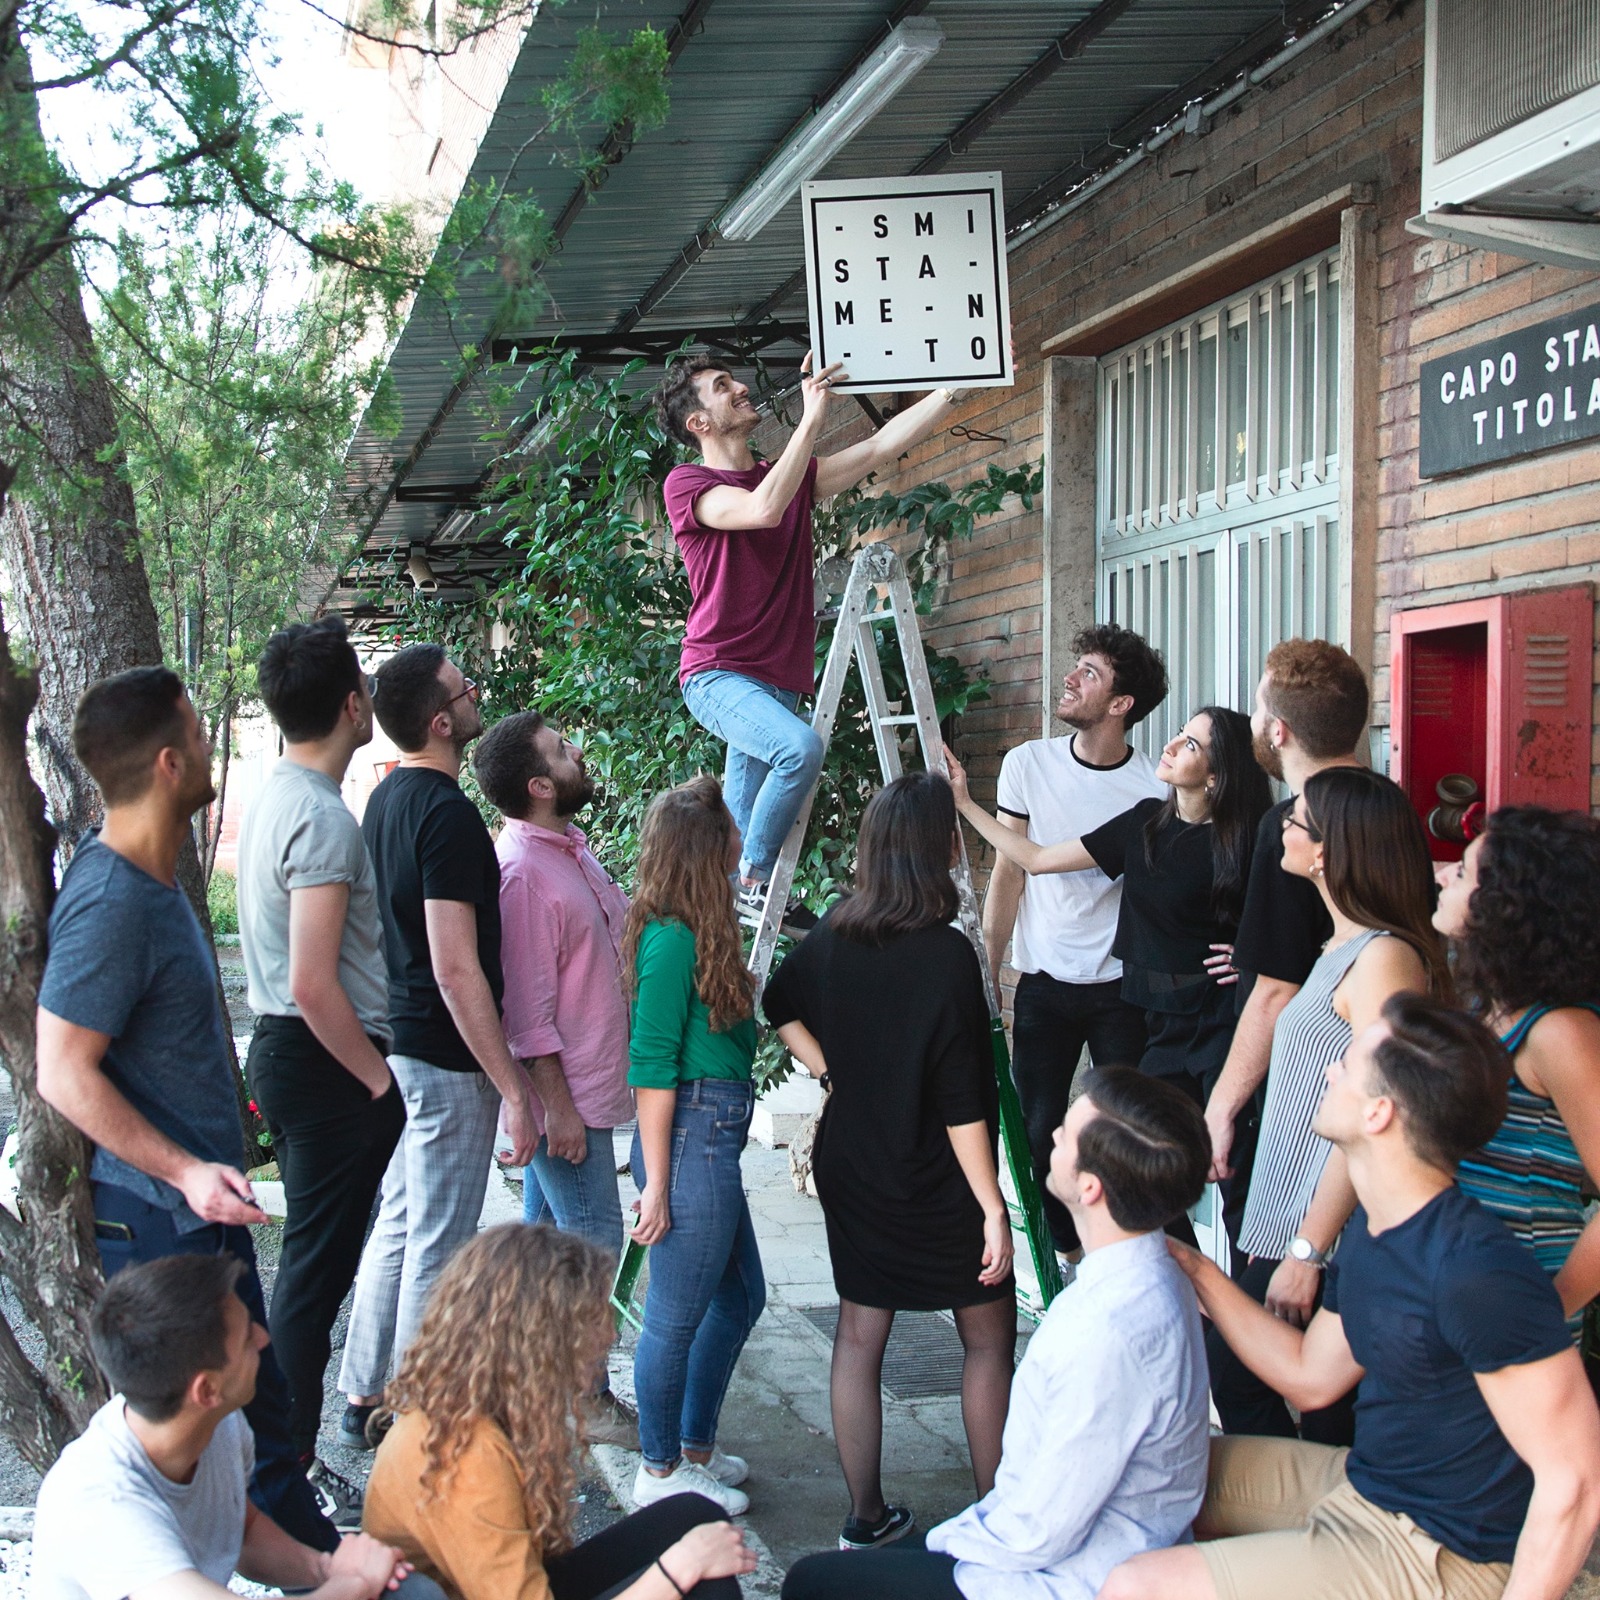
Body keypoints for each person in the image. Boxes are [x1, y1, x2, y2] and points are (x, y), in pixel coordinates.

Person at [1103, 994, 1600, 1600]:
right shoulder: (1374, 1226)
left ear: (1379, 1114)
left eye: (1350, 1062)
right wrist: (1194, 1268)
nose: (1331, 1068)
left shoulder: (1477, 1270)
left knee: (1137, 1586)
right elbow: (1310, 1376)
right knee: (1135, 1474)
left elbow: (1577, 1480)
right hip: (1366, 1487)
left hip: (1445, 1553)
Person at [35, 666, 341, 1545]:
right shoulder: (111, 900)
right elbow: (62, 1071)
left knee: (258, 1421)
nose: (213, 748)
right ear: (170, 764)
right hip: (159, 1220)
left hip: (193, 1210)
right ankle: (320, 1572)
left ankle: (313, 1567)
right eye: (203, 734)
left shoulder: (151, 879)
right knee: (241, 1429)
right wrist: (184, 1173)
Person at [781, 1068, 1213, 1600]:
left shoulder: (1108, 1330)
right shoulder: (1150, 1274)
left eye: (1067, 1132)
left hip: (1061, 1576)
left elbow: (1040, 1531)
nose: (1054, 1134)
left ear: (1090, 1187)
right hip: (1058, 1546)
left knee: (812, 1584)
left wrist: (948, 1541)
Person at [763, 773, 1016, 1552]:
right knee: (987, 1342)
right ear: (939, 848)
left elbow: (776, 1004)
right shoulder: (946, 955)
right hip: (940, 1176)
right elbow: (962, 1101)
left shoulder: (836, 930)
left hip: (855, 1164)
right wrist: (993, 1207)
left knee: (858, 1336)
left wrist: (829, 1073)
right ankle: (998, 1524)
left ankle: (864, 1520)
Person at [654, 351, 983, 916]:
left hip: (777, 682)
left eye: (733, 378)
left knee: (729, 843)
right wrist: (811, 417)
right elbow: (761, 508)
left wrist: (955, 386)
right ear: (698, 422)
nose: (740, 387)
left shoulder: (788, 479)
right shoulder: (689, 483)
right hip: (717, 673)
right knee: (800, 749)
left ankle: (721, 916)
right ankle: (756, 877)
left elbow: (879, 447)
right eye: (722, 386)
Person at [338, 644, 538, 1450]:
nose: (474, 690)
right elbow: (456, 969)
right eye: (463, 687)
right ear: (440, 721)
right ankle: (415, 1420)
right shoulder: (447, 814)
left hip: (400, 1046)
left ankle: (364, 1393)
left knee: (398, 1222)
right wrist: (513, 1087)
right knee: (440, 1240)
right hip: (446, 1057)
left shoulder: (385, 799)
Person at [1213, 766, 1445, 1441]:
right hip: (1296, 1220)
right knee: (1269, 1387)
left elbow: (1380, 1113)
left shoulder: (1383, 959)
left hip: (1332, 1233)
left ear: (1326, 851)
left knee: (1274, 1388)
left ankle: (1313, 1506)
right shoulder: (1338, 948)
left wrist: (1307, 1251)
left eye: (1295, 819)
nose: (1281, 825)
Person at [364, 1225, 756, 1600]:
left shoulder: (485, 1401)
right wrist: (679, 1569)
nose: (610, 1334)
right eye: (592, 1319)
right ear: (541, 1339)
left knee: (694, 1514)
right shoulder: (468, 1455)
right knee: (700, 1579)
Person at [238, 617, 407, 1484]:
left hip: (297, 1056)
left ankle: (281, 1461)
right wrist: (380, 1085)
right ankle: (287, 1469)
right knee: (311, 1282)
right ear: (352, 704)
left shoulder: (280, 795)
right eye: (366, 686)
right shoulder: (321, 818)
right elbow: (313, 982)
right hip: (322, 1060)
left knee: (311, 1275)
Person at [31, 1254, 433, 1600]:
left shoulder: (215, 1422)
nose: (262, 1338)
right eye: (245, 1339)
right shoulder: (102, 1504)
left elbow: (244, 1529)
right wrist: (356, 1583)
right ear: (206, 1389)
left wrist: (327, 1569)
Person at [947, 706, 1270, 1112]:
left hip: (1219, 1020)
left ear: (1215, 777)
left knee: (1224, 1140)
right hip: (1154, 1022)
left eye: (1190, 744)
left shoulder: (1248, 839)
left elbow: (1296, 921)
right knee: (1148, 1135)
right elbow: (1036, 859)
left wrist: (1252, 956)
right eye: (1180, 732)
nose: (1170, 746)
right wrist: (964, 803)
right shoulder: (1145, 822)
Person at [471, 709, 639, 1448]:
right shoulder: (522, 875)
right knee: (591, 1243)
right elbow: (527, 1015)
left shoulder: (568, 849)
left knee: (544, 1244)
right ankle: (585, 1399)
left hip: (593, 1086)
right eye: (562, 750)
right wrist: (557, 1110)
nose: (578, 751)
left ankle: (529, 1385)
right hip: (569, 1101)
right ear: (540, 786)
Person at [980, 624, 1168, 1258]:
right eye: (1077, 665)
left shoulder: (1152, 789)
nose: (1071, 677)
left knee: (1123, 1134)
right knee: (1038, 1136)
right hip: (1043, 984)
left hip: (1120, 989)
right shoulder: (1027, 764)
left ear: (1121, 704)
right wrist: (989, 971)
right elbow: (1009, 870)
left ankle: (1123, 1255)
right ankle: (1069, 1256)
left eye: (1090, 673)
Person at [623, 775, 765, 1516]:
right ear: (709, 849)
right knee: (675, 1317)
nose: (743, 833)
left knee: (740, 1298)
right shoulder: (672, 939)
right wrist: (656, 1184)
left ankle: (692, 1448)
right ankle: (660, 1470)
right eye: (732, 827)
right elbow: (651, 1067)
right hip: (690, 1142)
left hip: (707, 1140)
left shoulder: (699, 930)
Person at [1202, 639, 1369, 1199]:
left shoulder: (1291, 827)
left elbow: (1275, 990)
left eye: (1257, 709)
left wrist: (1222, 1107)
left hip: (1302, 1086)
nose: (1252, 720)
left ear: (1279, 731)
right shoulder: (1389, 808)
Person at [1433, 806, 1600, 1323]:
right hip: (1455, 1297)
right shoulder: (1487, 1007)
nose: (1442, 876)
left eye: (1462, 872)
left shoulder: (1559, 1032)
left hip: (1513, 1312)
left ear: (1505, 908)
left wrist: (1548, 1309)